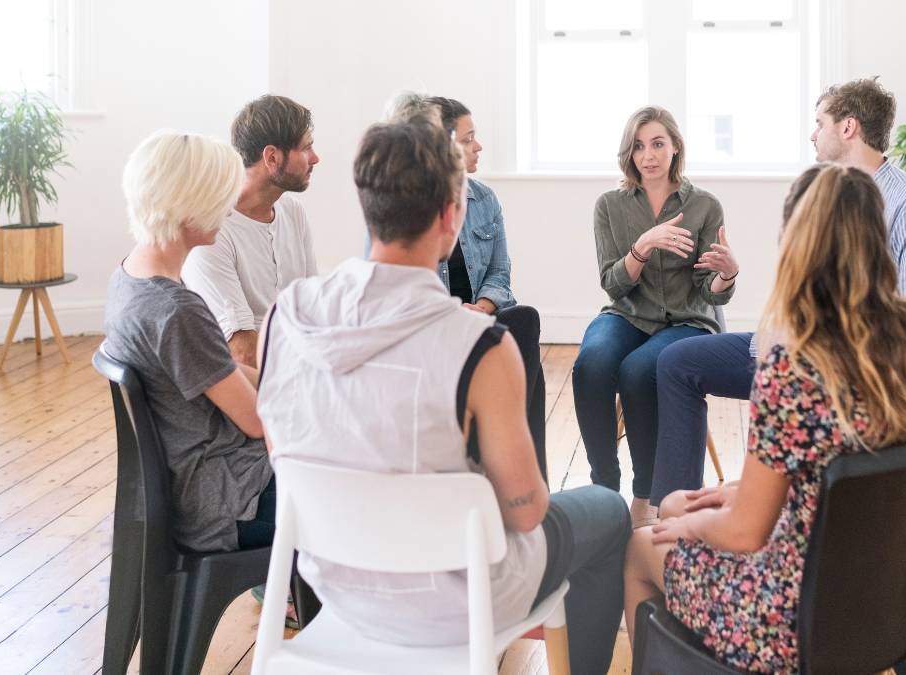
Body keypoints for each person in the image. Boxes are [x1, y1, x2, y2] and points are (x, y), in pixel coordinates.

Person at [255, 120, 629, 674]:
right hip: (456, 603)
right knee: (610, 510)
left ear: (367, 207)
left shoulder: (285, 315)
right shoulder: (479, 346)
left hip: (336, 586)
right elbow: (526, 512)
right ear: (451, 216)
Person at [622, 163, 906, 672]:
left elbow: (744, 535)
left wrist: (695, 521)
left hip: (792, 615)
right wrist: (734, 493)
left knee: (646, 541)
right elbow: (846, 468)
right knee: (680, 509)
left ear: (795, 242)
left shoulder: (795, 365)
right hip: (887, 599)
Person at [648, 78, 906, 509]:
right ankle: (671, 511)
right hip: (792, 351)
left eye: (820, 122)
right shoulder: (825, 194)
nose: (813, 133)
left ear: (848, 128)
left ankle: (725, 513)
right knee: (677, 362)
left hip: (840, 373)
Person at [102, 130, 274, 553]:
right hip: (229, 504)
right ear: (190, 207)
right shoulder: (176, 311)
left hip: (197, 489)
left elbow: (224, 372)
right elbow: (257, 422)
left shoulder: (129, 277)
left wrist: (283, 378)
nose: (230, 209)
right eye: (221, 199)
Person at [573, 105, 738, 527]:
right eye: (639, 146)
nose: (648, 155)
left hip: (686, 319)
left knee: (638, 371)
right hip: (627, 312)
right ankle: (603, 487)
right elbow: (613, 284)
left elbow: (709, 292)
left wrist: (726, 274)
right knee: (591, 364)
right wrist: (641, 247)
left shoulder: (704, 206)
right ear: (628, 153)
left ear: (675, 147)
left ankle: (643, 496)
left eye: (658, 144)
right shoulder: (610, 206)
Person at [429, 96, 548, 478]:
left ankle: (526, 471)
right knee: (521, 333)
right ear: (442, 146)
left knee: (523, 321)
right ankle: (517, 474)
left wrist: (480, 309)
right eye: (468, 138)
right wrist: (455, 314)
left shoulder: (484, 200)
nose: (478, 146)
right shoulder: (414, 206)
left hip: (480, 319)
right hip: (436, 329)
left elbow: (500, 273)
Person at [183, 94, 320, 367]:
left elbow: (313, 307)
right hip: (257, 386)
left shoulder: (292, 211)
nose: (315, 158)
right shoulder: (211, 231)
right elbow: (241, 352)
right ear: (272, 157)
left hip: (297, 366)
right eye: (306, 148)